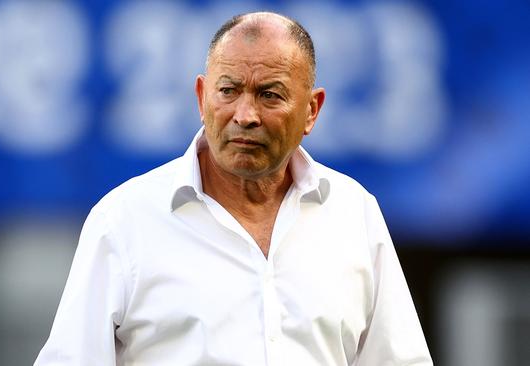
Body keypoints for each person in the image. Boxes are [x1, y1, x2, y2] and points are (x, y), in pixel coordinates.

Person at [34, 11, 432, 365]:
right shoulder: (124, 219)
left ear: (312, 110)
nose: (245, 115)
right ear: (201, 96)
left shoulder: (352, 213)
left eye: (269, 95)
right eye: (228, 91)